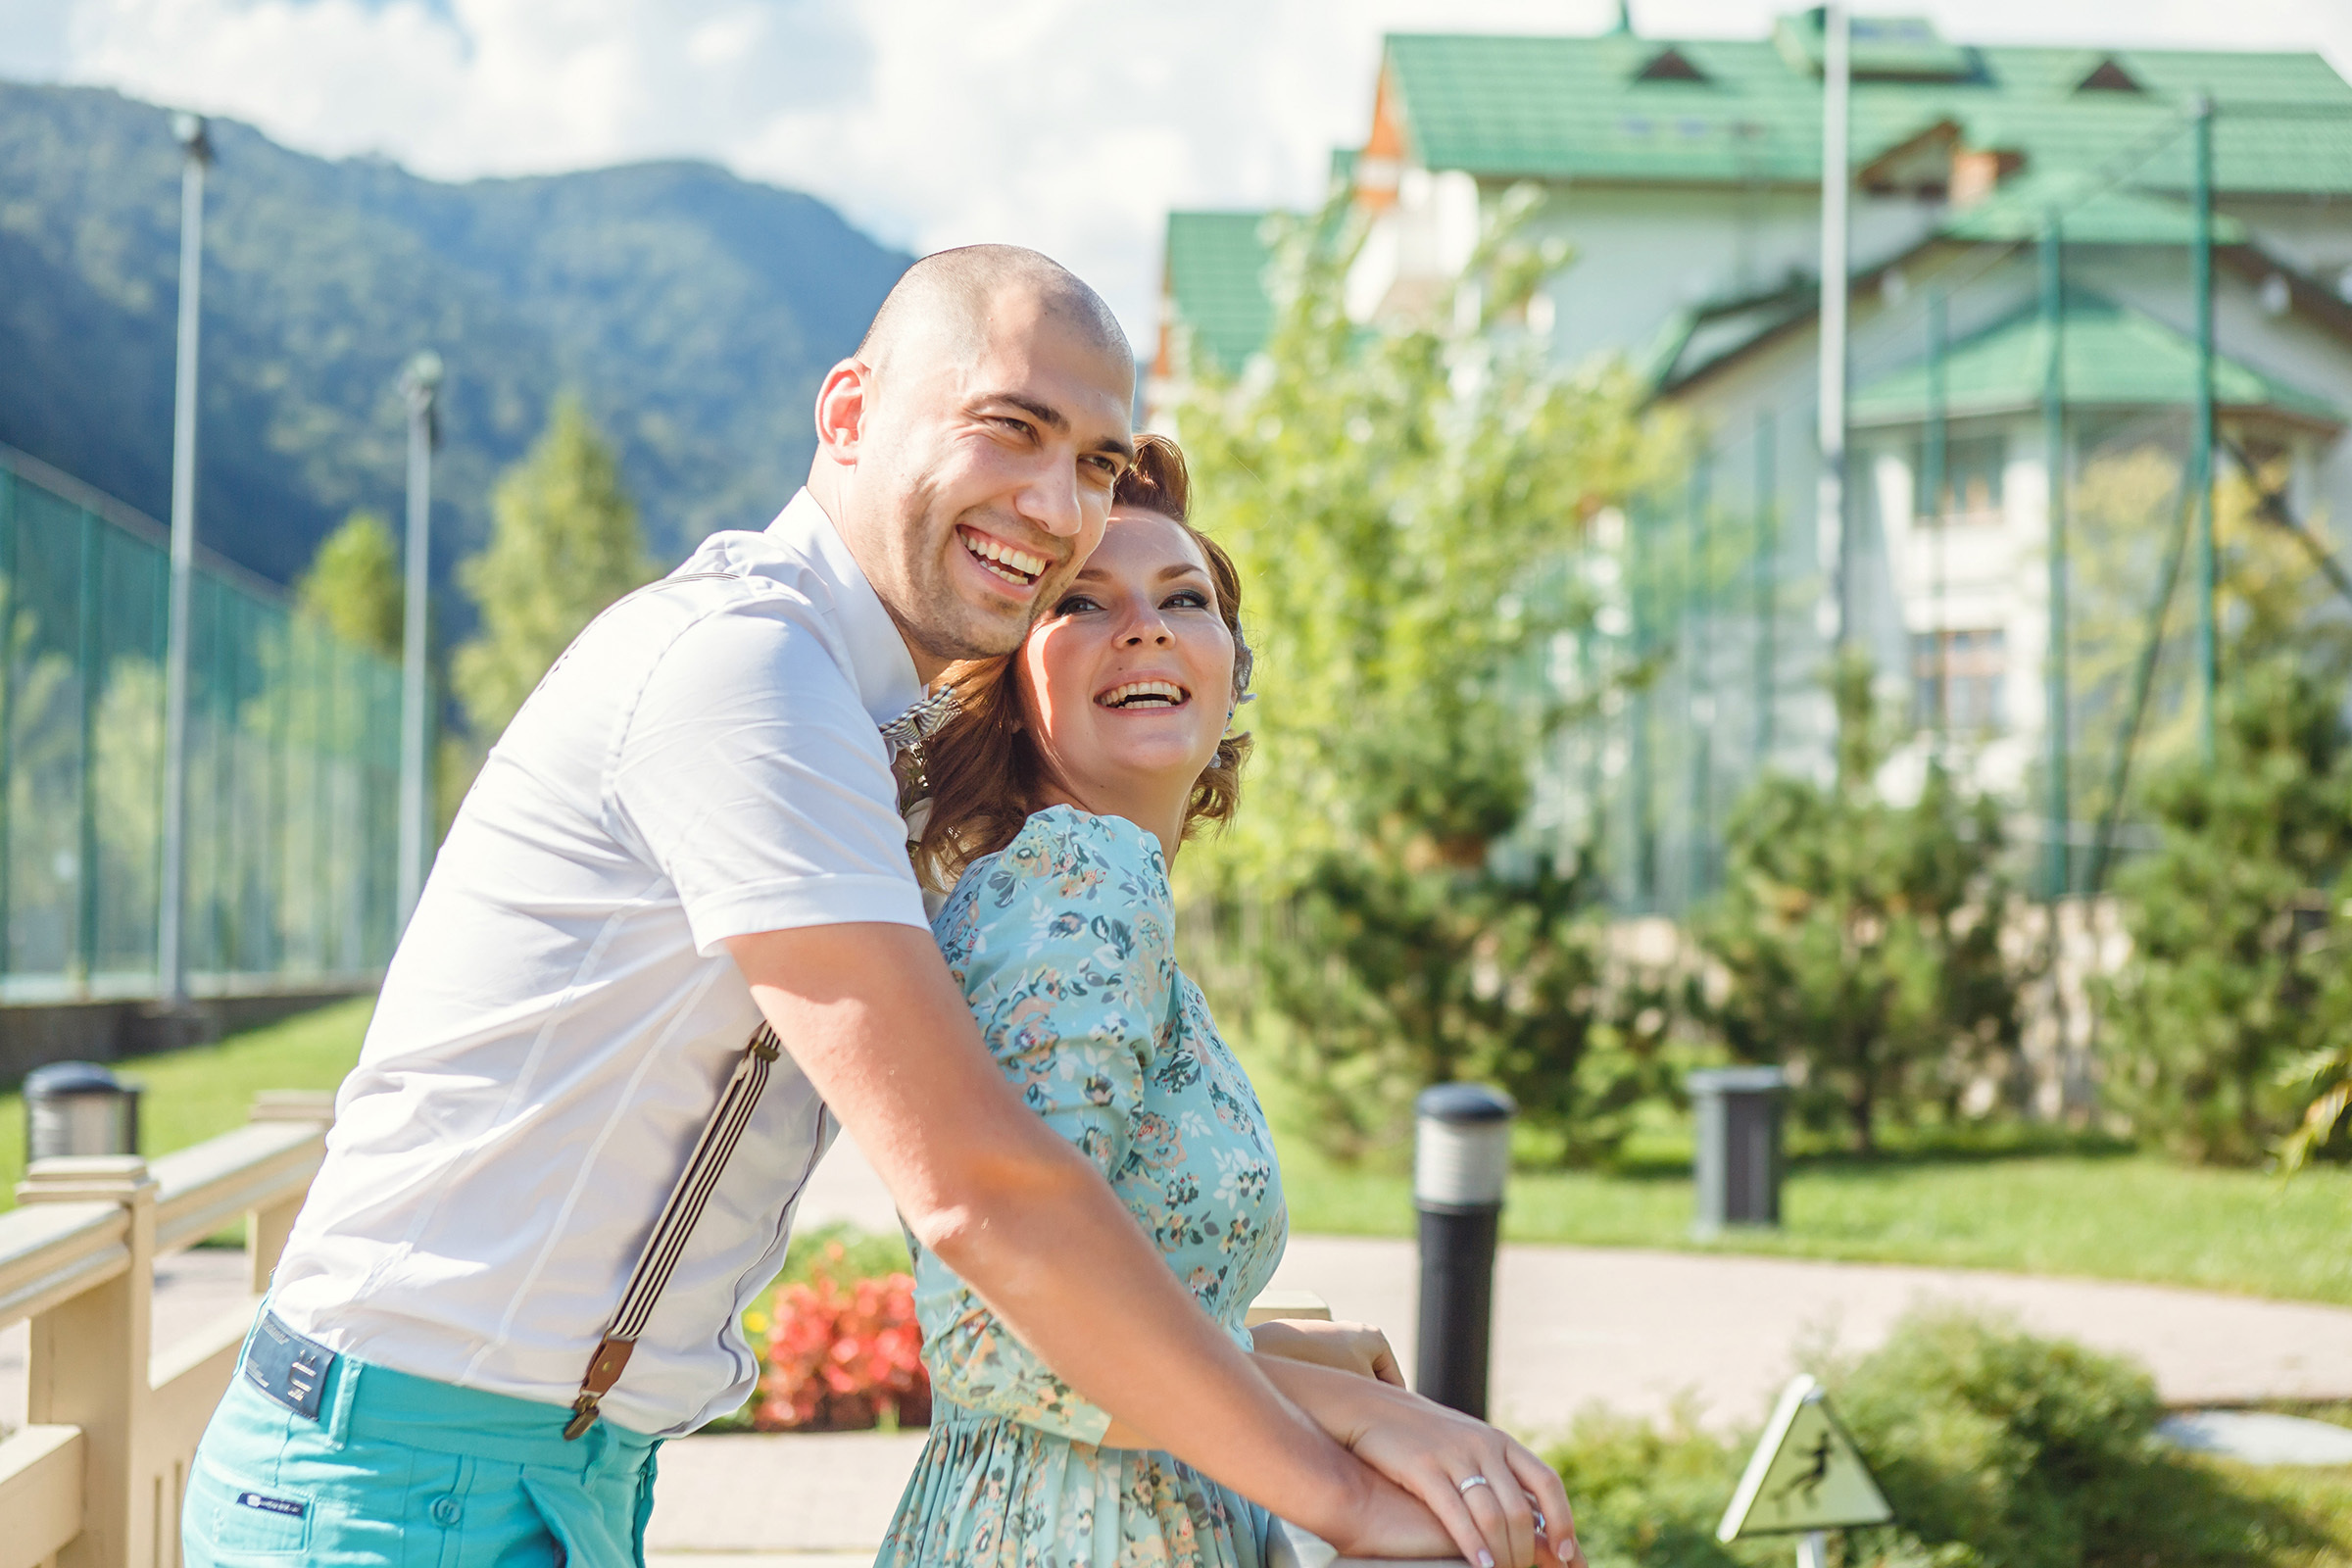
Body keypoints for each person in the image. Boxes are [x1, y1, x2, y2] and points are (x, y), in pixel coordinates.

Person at [181, 246, 1550, 1568]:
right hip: (399, 1477)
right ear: (848, 410)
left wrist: (1269, 1363)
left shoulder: (873, 722)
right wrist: (1345, 1491)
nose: (1056, 502)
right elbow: (977, 1195)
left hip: (571, 1468)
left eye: (1092, 461)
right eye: (1009, 427)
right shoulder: (744, 675)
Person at [878, 434, 1581, 1568]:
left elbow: (1095, 1292)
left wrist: (1282, 1351)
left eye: (1183, 597)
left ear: (1233, 666)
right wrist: (1366, 1419)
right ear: (1010, 686)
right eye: (1080, 603)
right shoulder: (1075, 880)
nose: (1144, 626)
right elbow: (998, 1329)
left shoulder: (1084, 893)